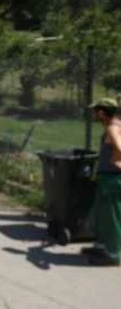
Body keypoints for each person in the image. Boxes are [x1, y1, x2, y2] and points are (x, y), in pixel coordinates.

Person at [84, 98, 121, 266]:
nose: (93, 115)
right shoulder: (117, 124)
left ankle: (112, 254)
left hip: (111, 179)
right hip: (107, 178)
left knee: (110, 218)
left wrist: (117, 161)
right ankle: (101, 246)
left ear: (101, 113)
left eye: (95, 111)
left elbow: (119, 147)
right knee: (101, 215)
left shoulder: (112, 128)